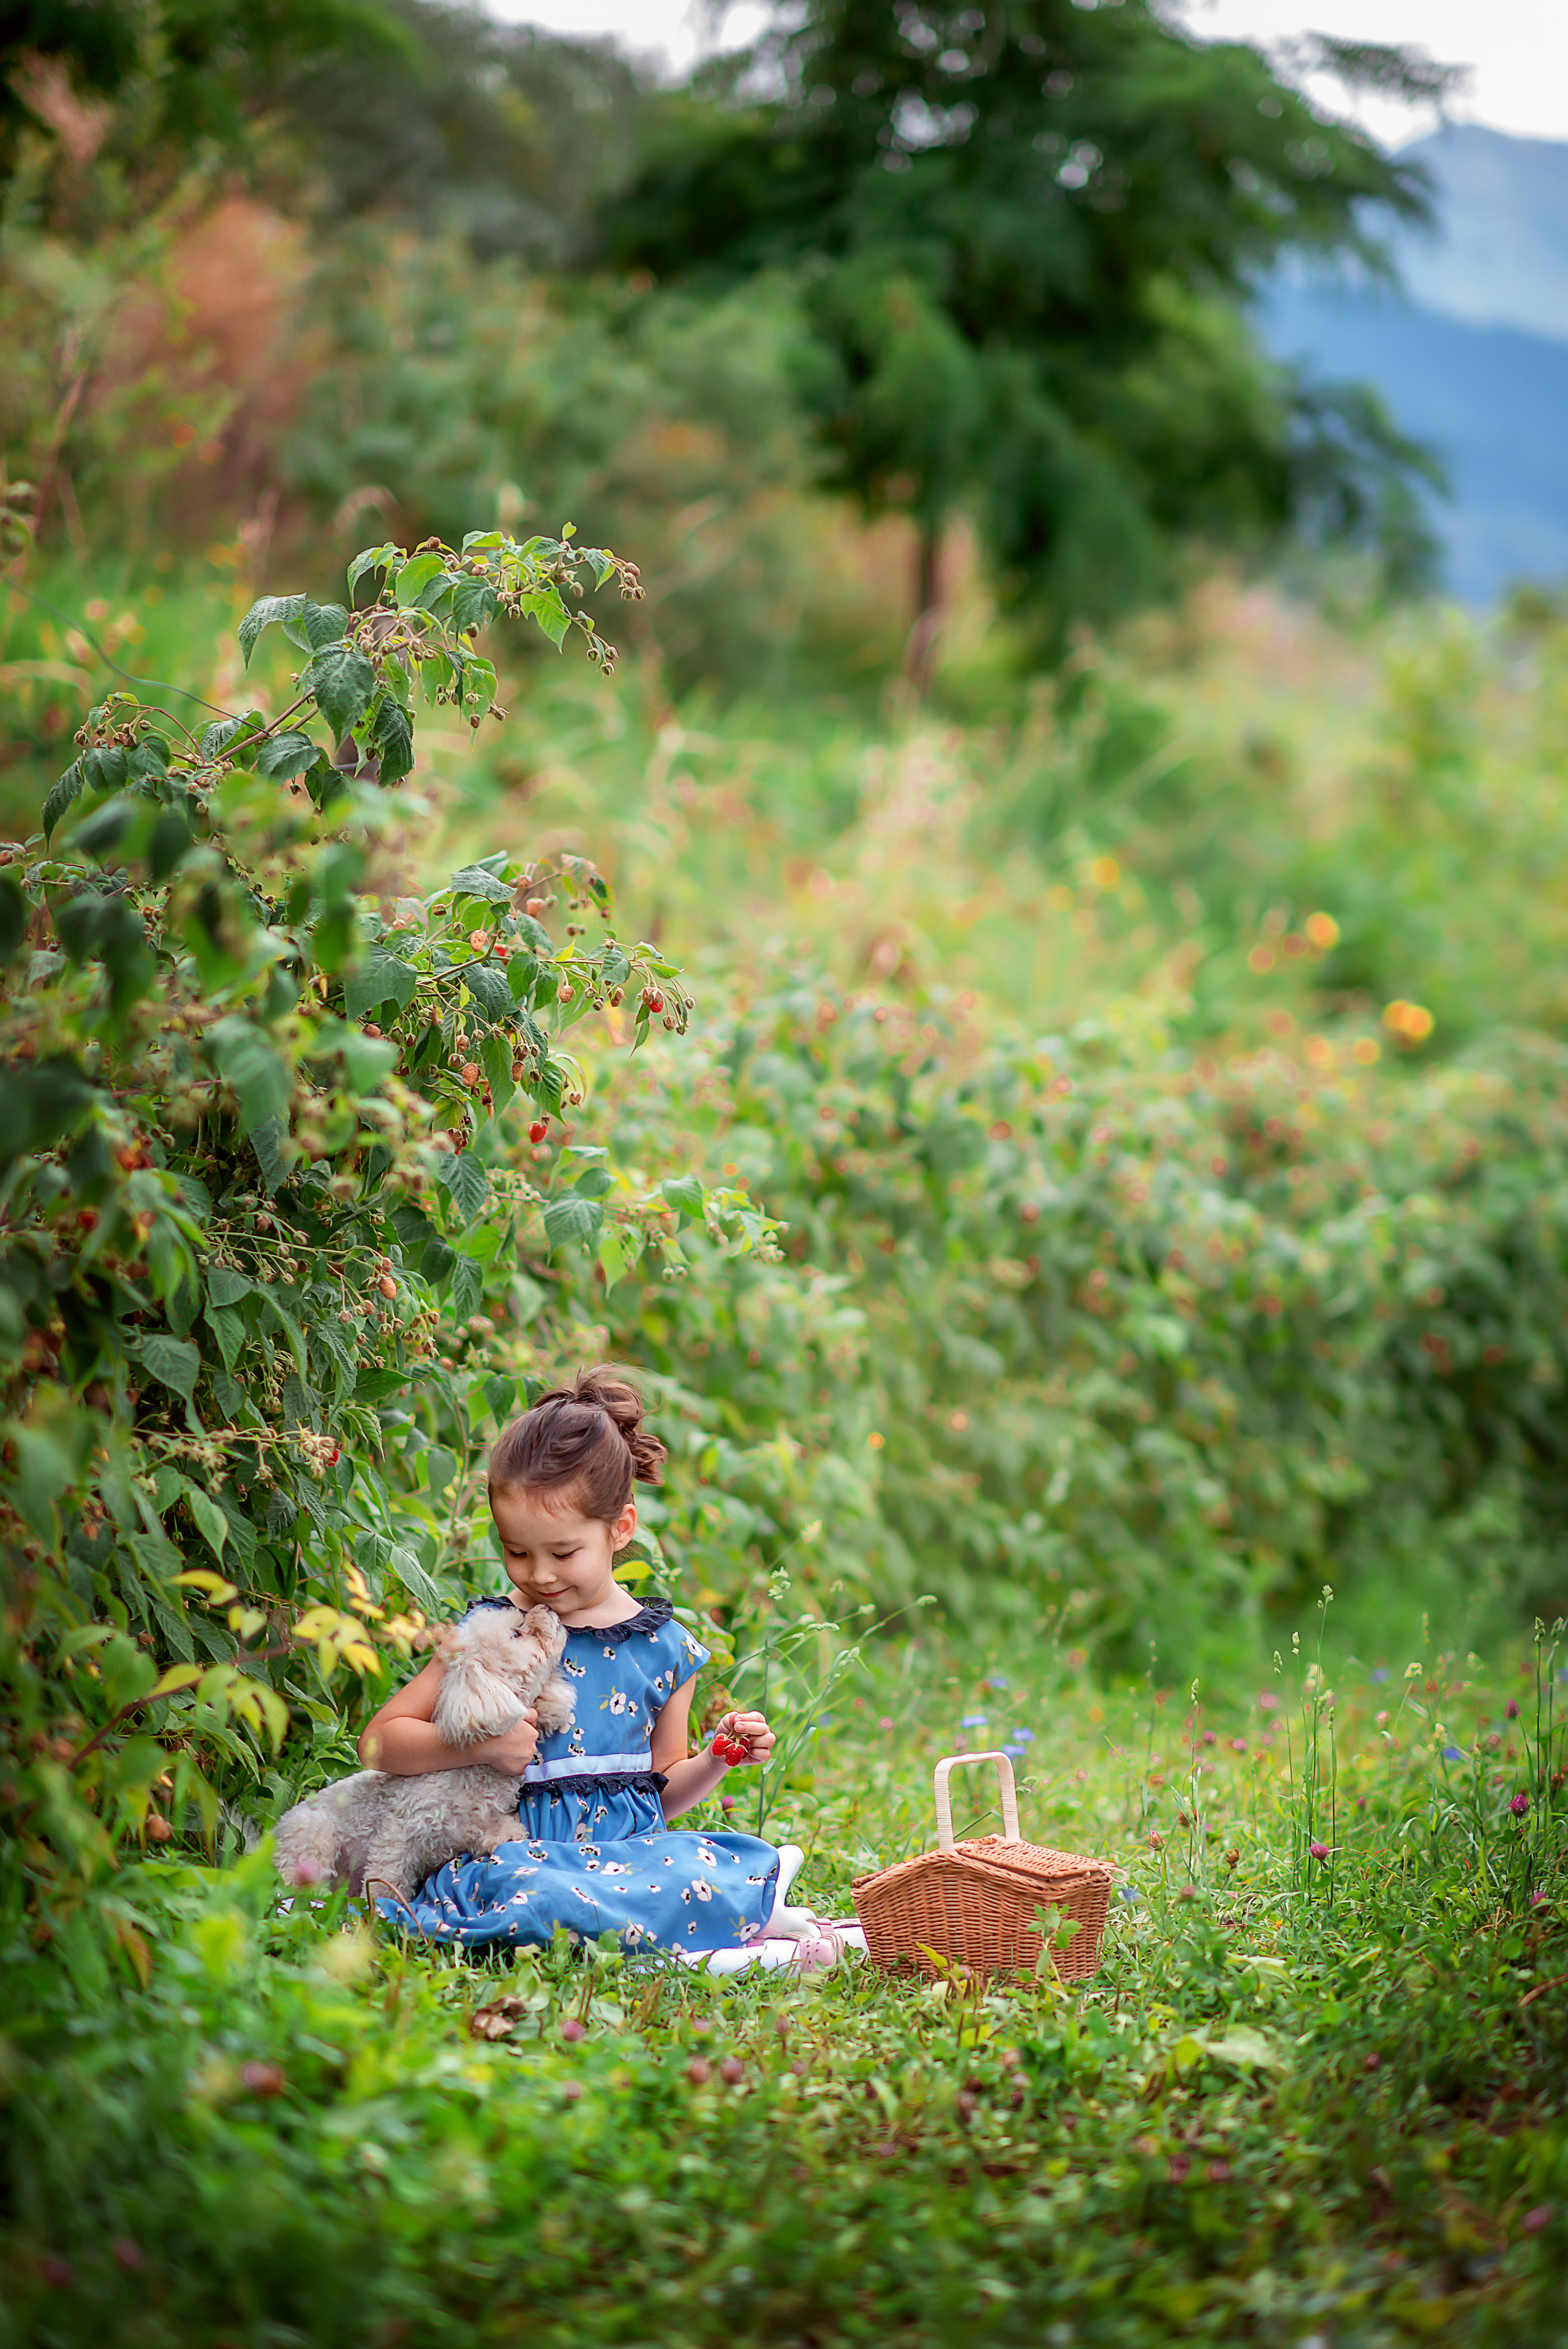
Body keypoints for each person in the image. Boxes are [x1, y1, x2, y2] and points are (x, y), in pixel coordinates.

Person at [358, 1369, 796, 1953]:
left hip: (631, 1858)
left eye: (563, 1552)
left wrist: (717, 1757)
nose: (538, 1574)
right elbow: (379, 1744)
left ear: (620, 1529)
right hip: (517, 1855)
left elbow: (660, 1792)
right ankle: (669, 1925)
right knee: (536, 1894)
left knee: (688, 1871)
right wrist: (480, 1746)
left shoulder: (665, 1648)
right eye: (516, 1551)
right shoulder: (494, 1631)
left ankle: (732, 1903)